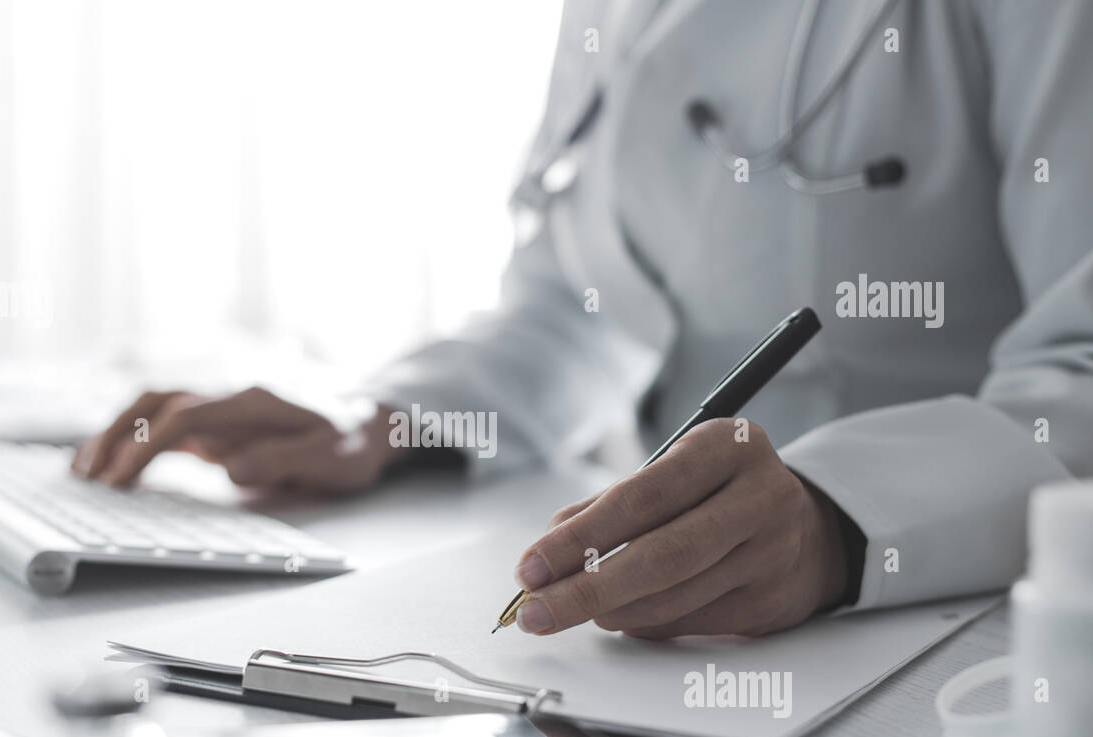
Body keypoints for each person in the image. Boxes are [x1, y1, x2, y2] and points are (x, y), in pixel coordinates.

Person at [74, 0, 1093, 640]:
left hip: (954, 655)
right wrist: (384, 421)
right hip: (663, 655)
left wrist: (836, 518)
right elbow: (583, 297)